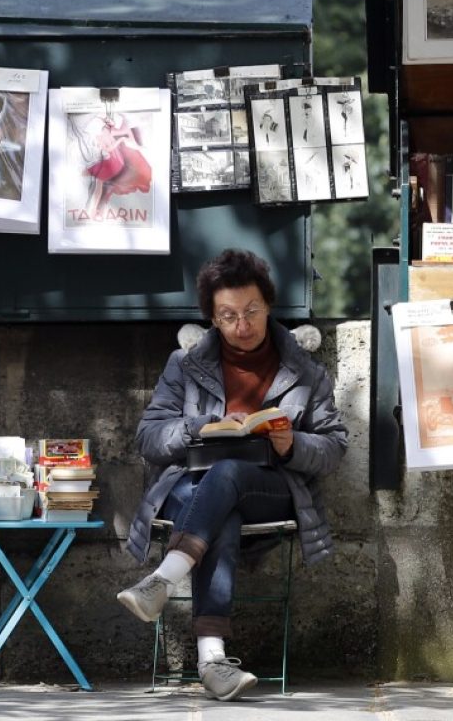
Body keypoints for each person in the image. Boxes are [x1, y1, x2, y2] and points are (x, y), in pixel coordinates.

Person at [118, 248, 347, 702]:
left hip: (271, 487)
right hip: (193, 487)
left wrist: (292, 444)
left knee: (228, 478)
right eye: (228, 316)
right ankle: (212, 660)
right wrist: (193, 428)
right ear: (212, 319)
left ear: (268, 305)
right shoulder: (184, 365)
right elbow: (148, 438)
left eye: (251, 311)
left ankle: (163, 579)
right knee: (221, 503)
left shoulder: (304, 370)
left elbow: (335, 446)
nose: (242, 325)